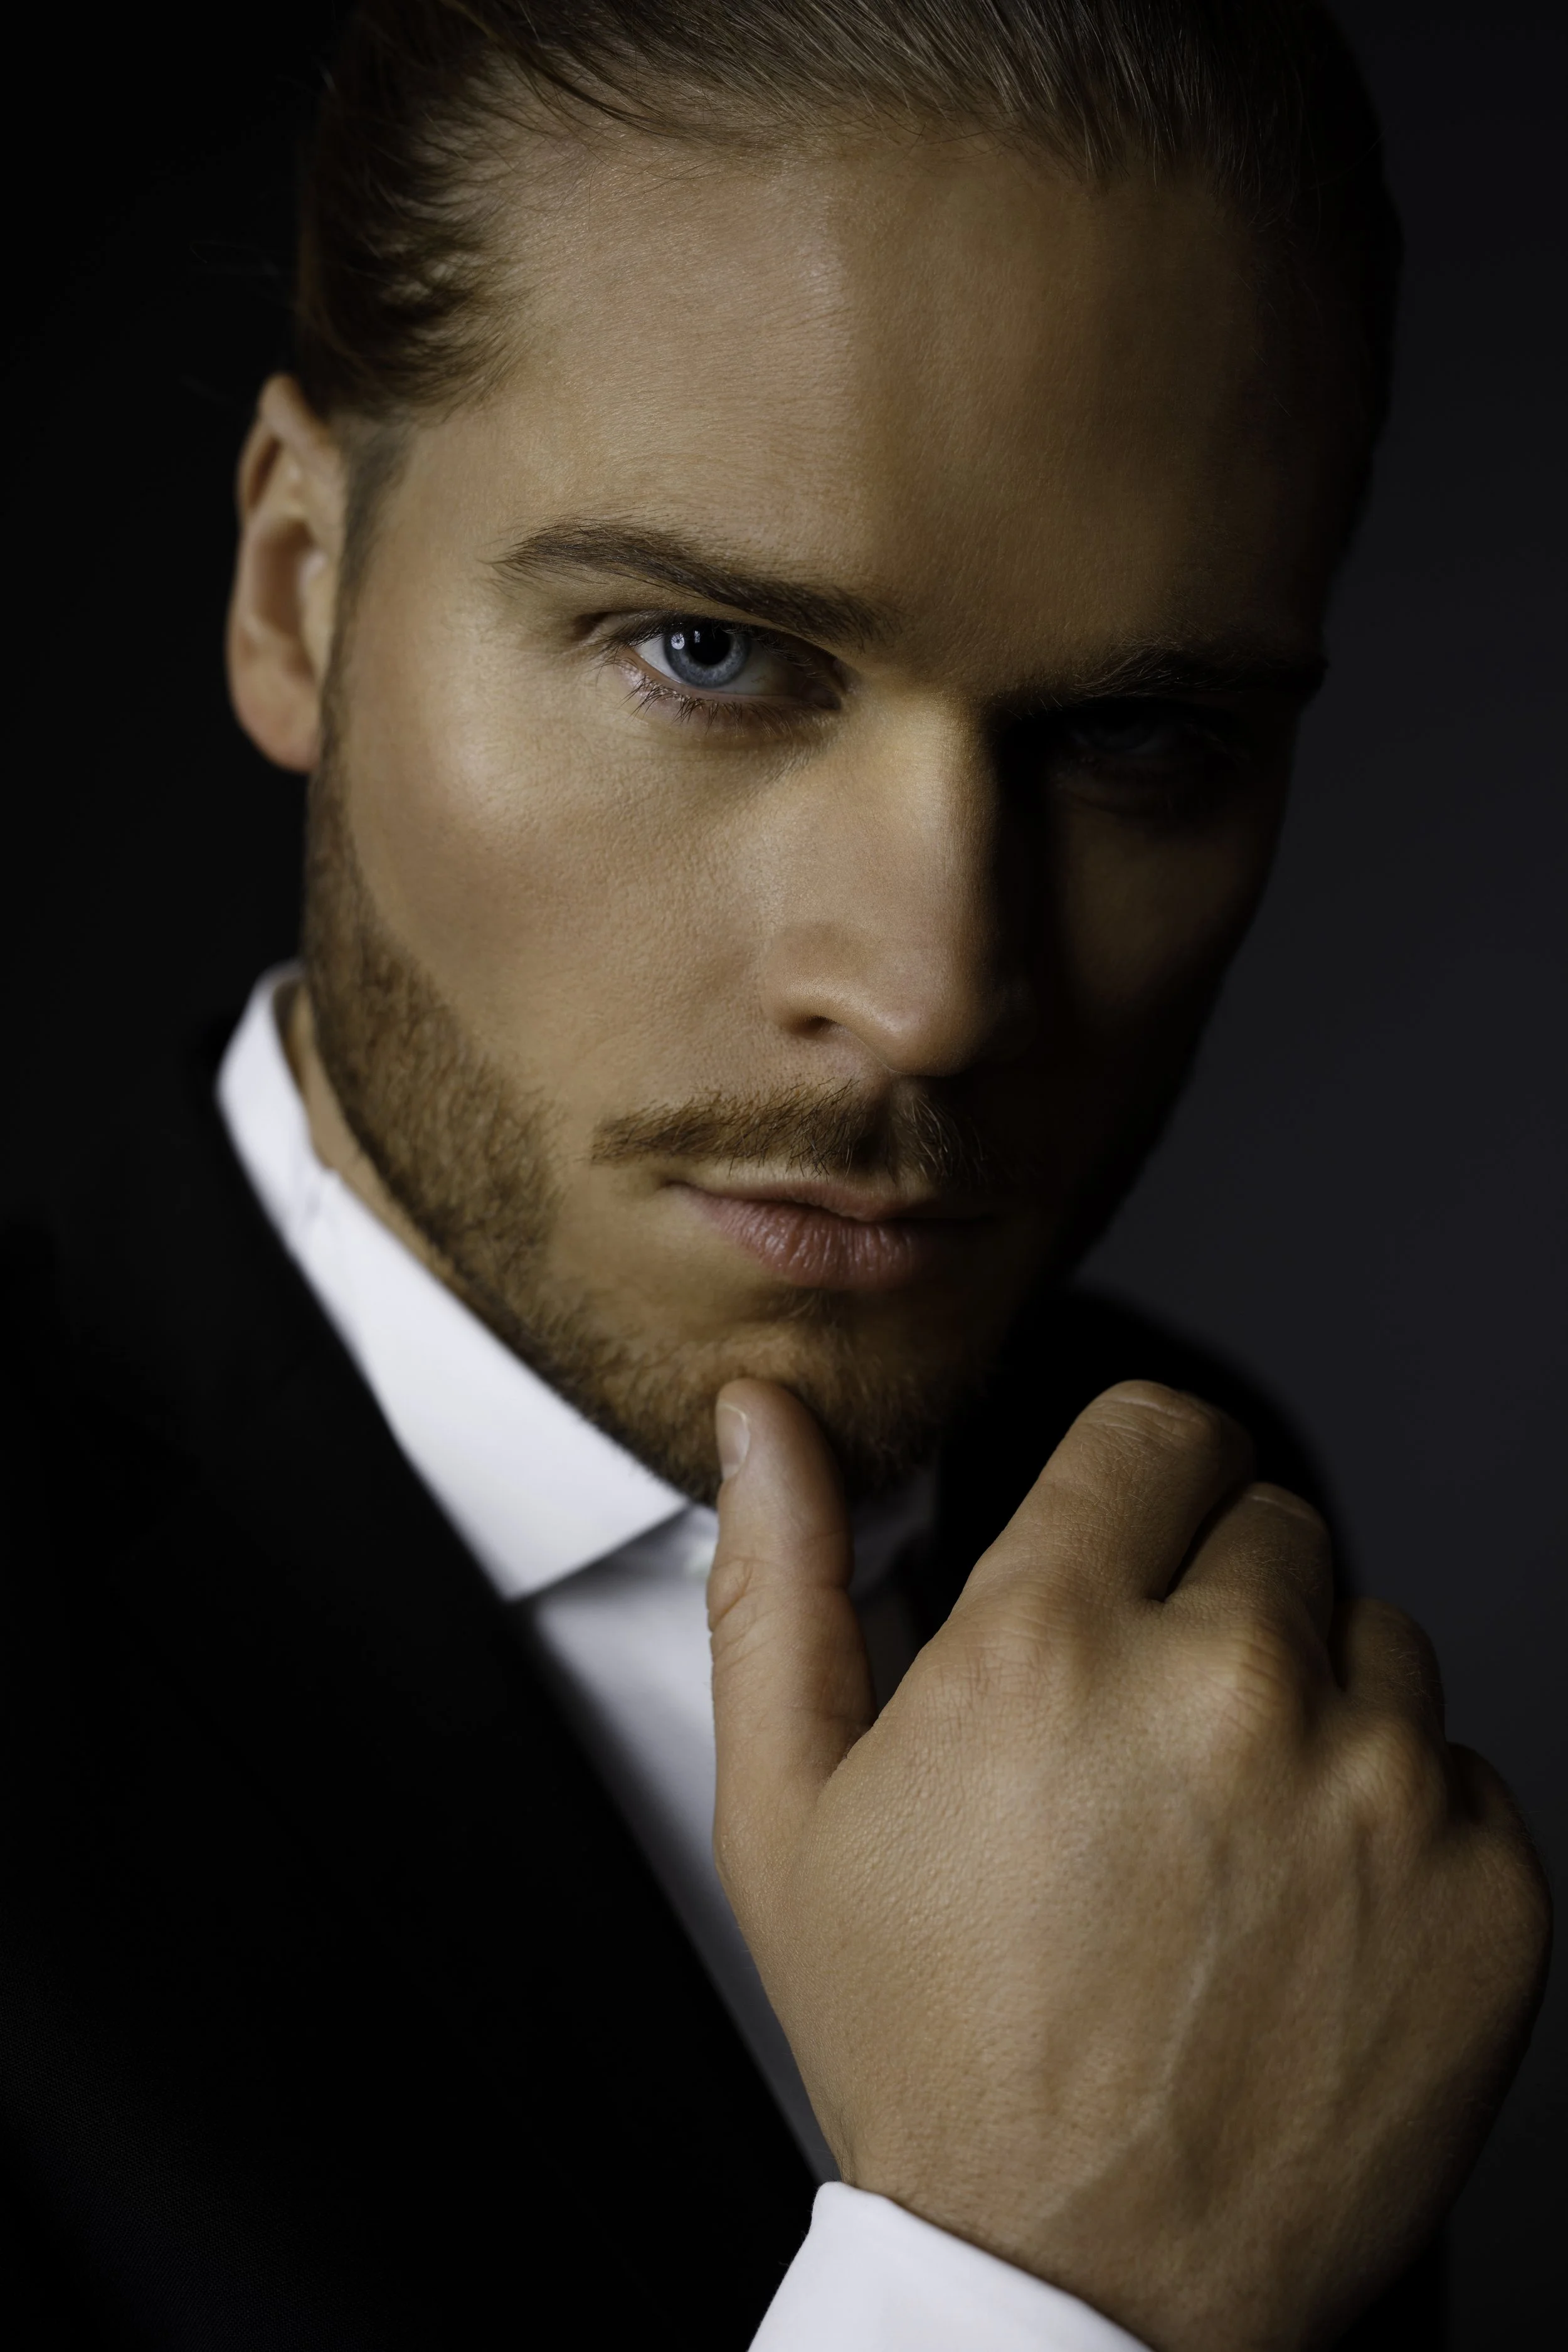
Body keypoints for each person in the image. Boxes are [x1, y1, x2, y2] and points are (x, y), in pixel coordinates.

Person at [0, 3, 1548, 2345]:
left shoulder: (1189, 1582)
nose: (932, 990)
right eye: (708, 652)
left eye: (1139, 735)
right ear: (297, 590)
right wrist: (1031, 2295)